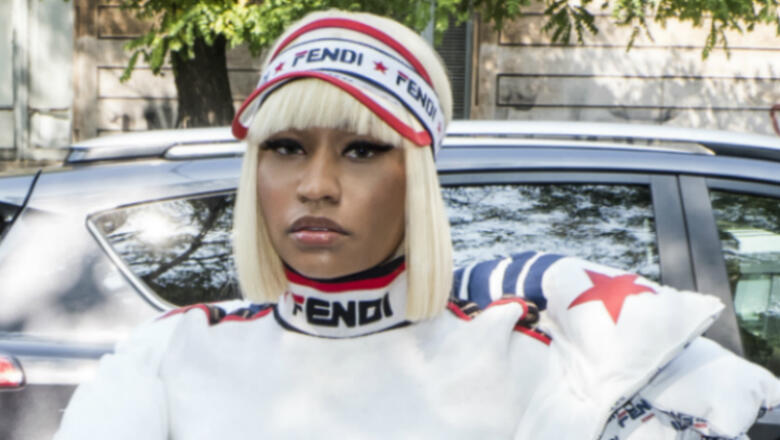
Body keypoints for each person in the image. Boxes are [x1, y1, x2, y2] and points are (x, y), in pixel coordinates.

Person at [55, 9, 779, 439]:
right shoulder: (166, 355)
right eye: (286, 147)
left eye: (362, 150)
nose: (315, 185)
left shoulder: (535, 359)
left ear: (418, 180)